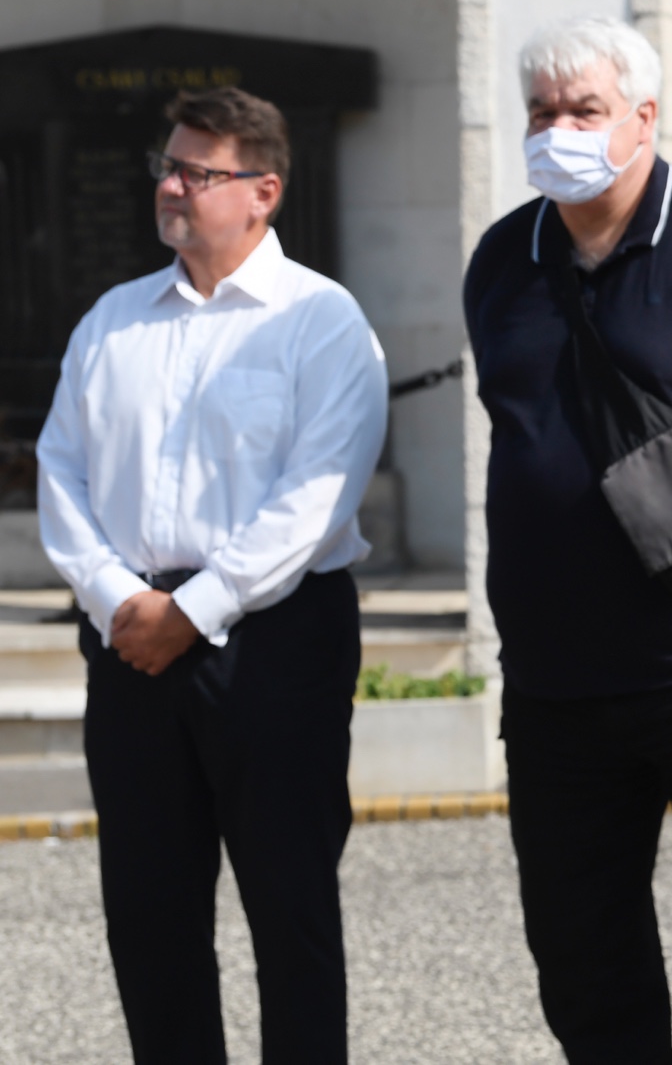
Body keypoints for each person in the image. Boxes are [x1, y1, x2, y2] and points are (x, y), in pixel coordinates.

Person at [463, 15, 672, 1063]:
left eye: (585, 110)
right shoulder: (501, 260)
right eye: (541, 113)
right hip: (554, 687)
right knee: (583, 960)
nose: (558, 131)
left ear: (644, 119)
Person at [36, 86, 388, 1064]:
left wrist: (193, 609)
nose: (170, 186)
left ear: (263, 191)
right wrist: (117, 598)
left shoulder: (320, 319)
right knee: (148, 912)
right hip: (131, 640)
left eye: (197, 171)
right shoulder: (112, 321)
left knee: (291, 909)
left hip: (275, 643)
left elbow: (317, 495)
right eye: (169, 165)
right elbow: (59, 470)